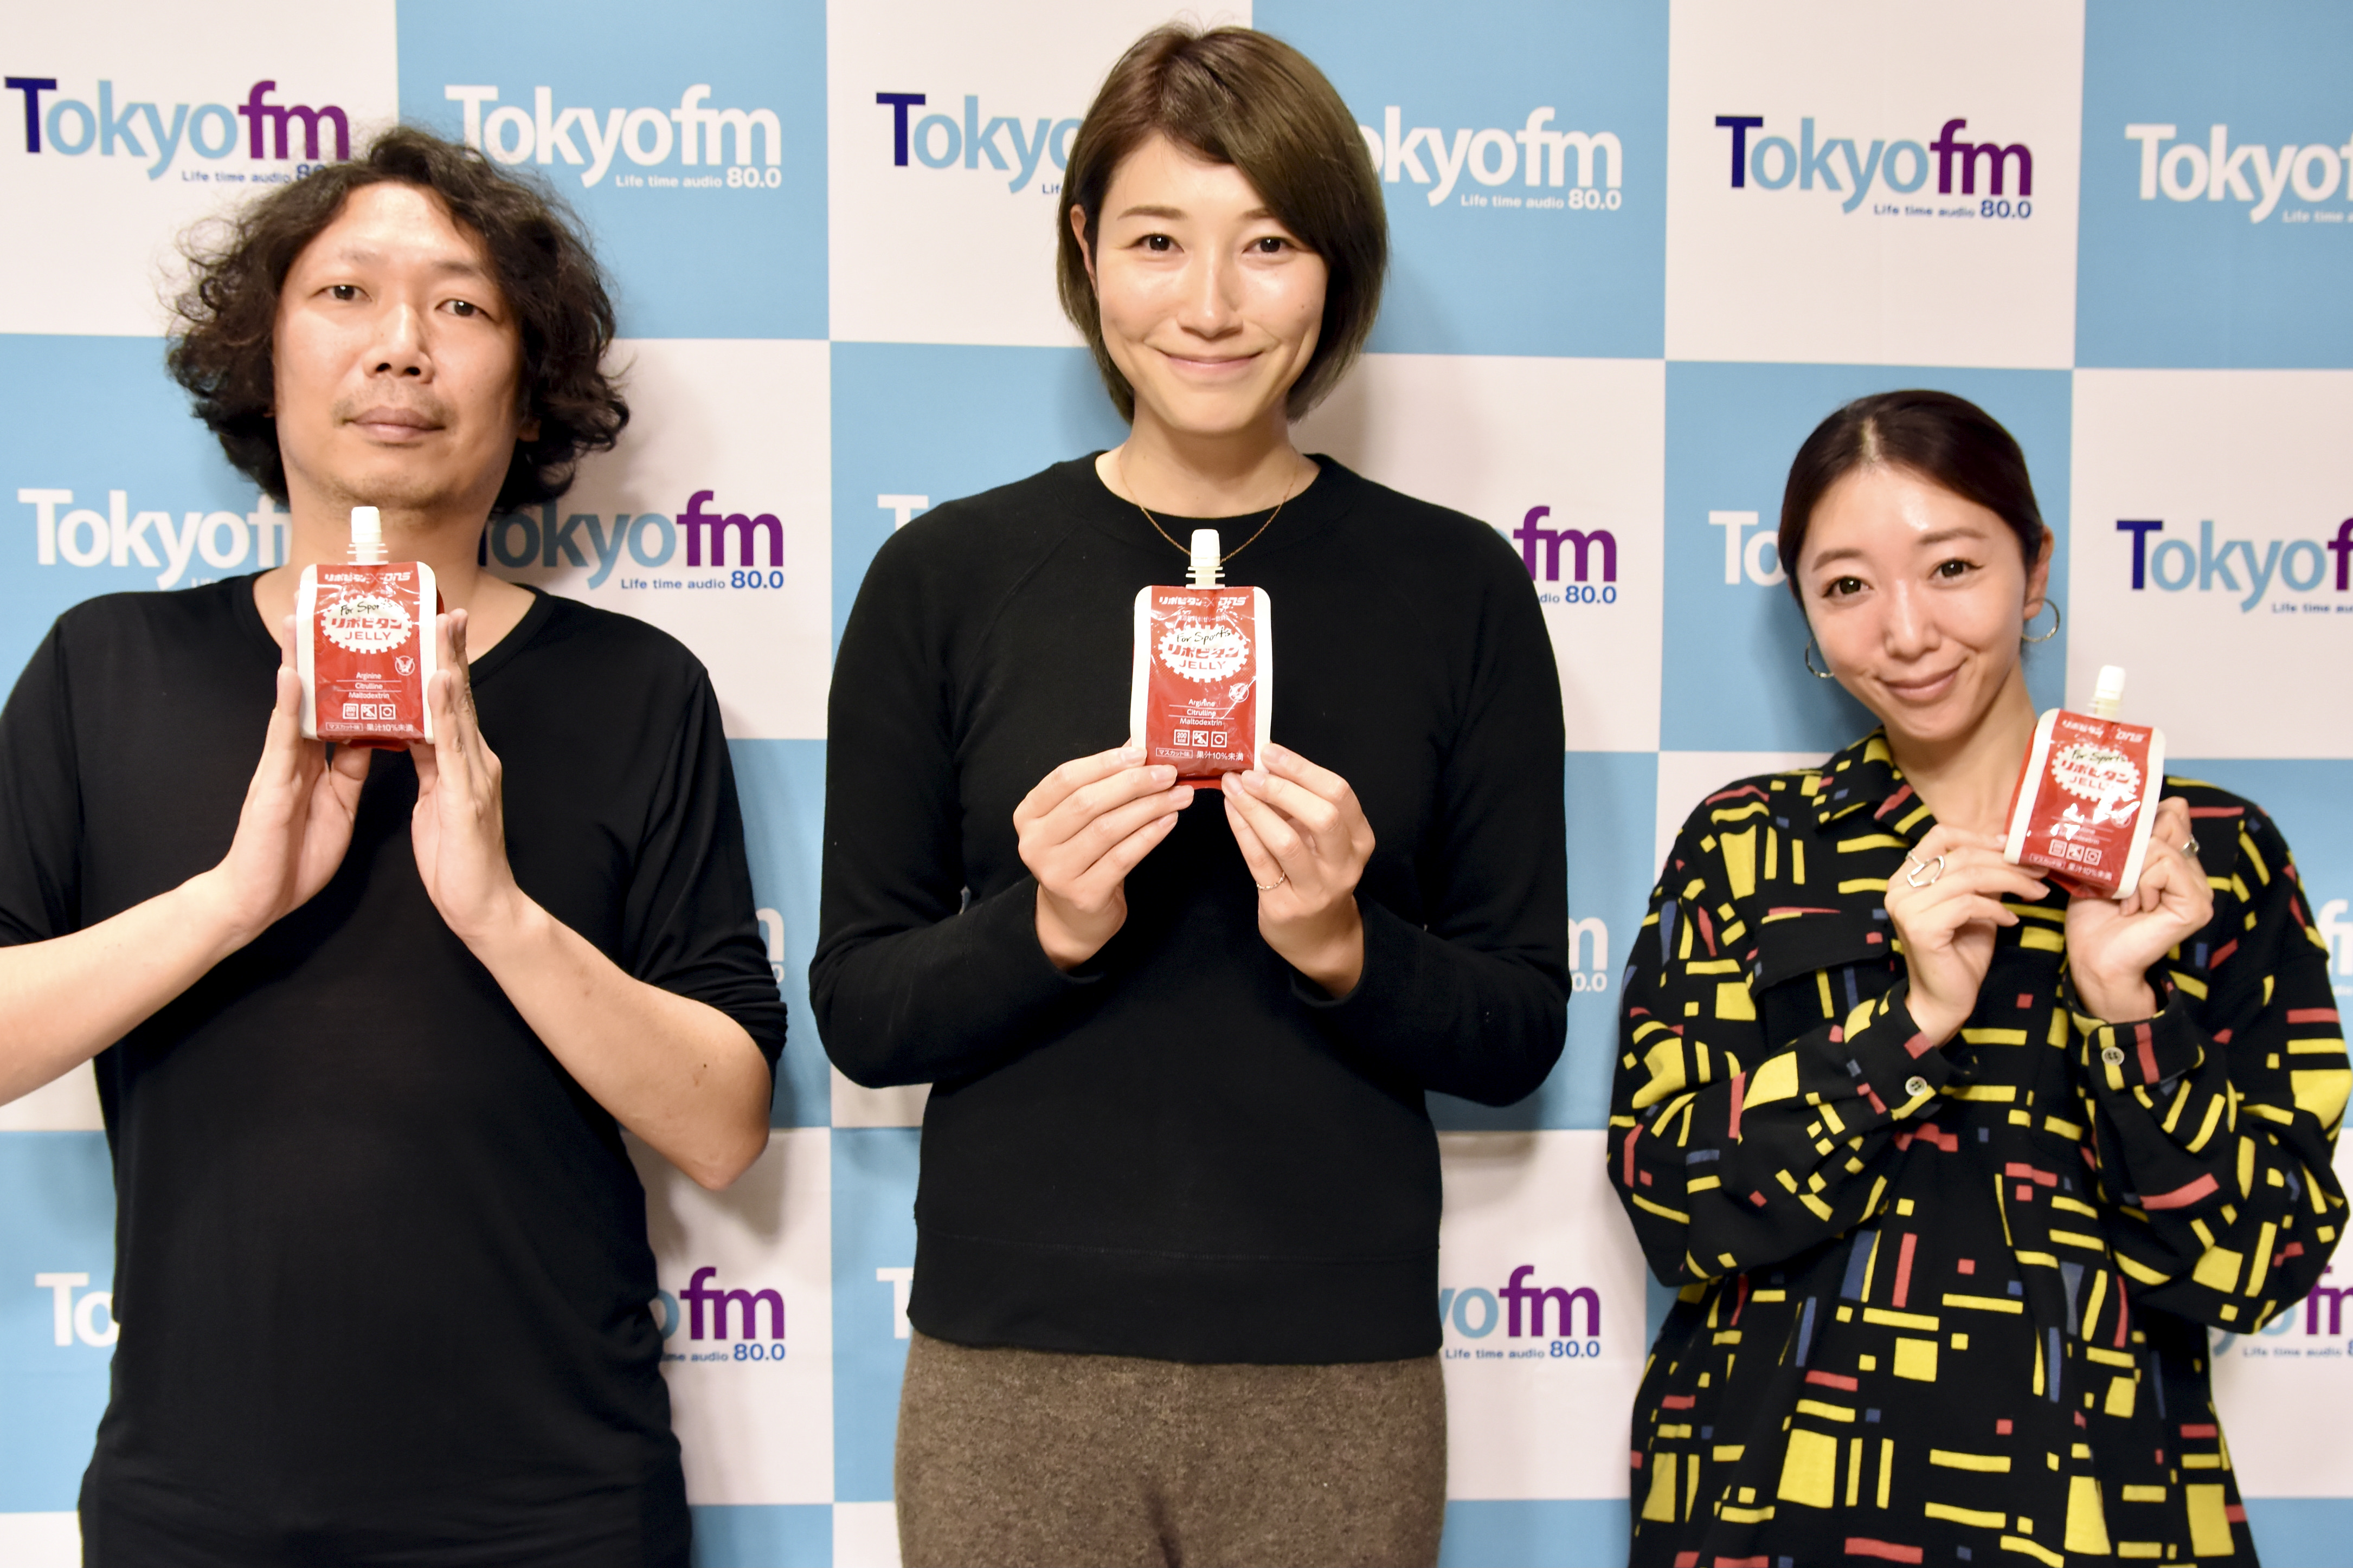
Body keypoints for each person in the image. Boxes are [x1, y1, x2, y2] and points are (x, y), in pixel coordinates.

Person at [812, 24, 1567, 1568]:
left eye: (1268, 243)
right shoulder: (945, 576)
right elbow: (861, 1009)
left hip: (1336, 1370)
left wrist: (1346, 947)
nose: (1211, 304)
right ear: (1086, 249)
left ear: (1336, 268)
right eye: (1158, 240)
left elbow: (1516, 1027)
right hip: (1011, 1365)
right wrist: (1047, 926)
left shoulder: (1457, 586)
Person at [0, 127, 785, 1566]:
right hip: (196, 1509)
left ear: (527, 387)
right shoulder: (106, 666)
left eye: (462, 304)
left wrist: (501, 913)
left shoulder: (634, 688)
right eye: (346, 293)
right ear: (265, 356)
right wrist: (229, 900)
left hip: (555, 1510)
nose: (402, 344)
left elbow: (726, 1121)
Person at [1610, 389, 2348, 1565]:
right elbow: (1671, 1202)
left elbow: (2258, 1259)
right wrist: (1905, 1026)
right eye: (1846, 586)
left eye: (1952, 567)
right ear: (1803, 608)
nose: (1905, 632)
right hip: (1778, 1506)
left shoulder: (2208, 854)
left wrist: (2127, 1013)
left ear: (2034, 563)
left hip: (2100, 1507)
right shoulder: (1749, 843)